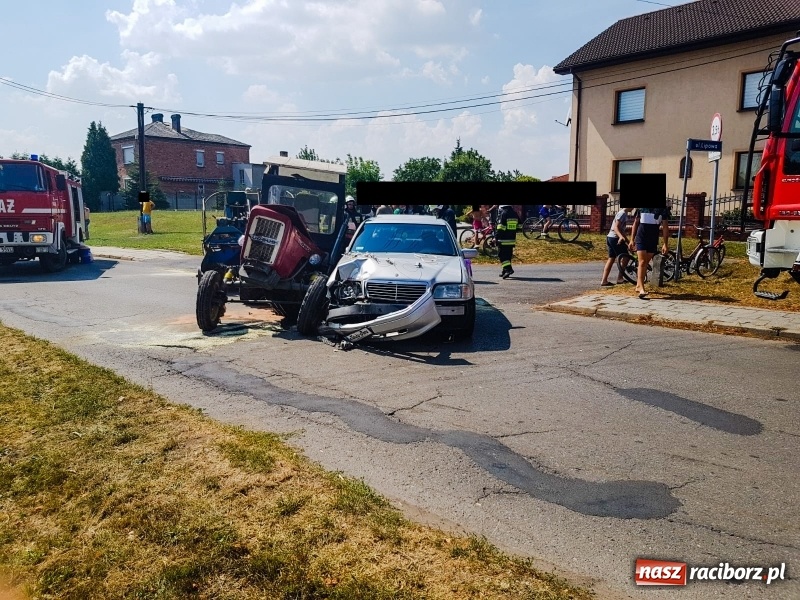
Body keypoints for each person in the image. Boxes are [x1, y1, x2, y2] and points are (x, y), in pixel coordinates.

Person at [628, 205, 671, 298]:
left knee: (645, 263)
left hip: (652, 239)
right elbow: (635, 223)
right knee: (642, 262)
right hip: (641, 237)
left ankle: (638, 285)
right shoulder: (641, 208)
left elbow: (665, 227)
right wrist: (632, 239)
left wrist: (665, 244)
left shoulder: (663, 209)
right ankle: (641, 288)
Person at [601, 207, 633, 286]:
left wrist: (628, 242)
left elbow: (621, 230)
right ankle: (620, 278)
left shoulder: (624, 213)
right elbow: (616, 227)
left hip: (610, 237)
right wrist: (621, 237)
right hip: (615, 238)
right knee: (626, 257)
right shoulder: (622, 213)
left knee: (611, 258)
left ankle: (604, 280)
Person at [496, 204, 519, 278]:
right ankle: (504, 271)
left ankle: (508, 269)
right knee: (508, 256)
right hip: (511, 239)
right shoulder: (514, 213)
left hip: (503, 239)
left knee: (501, 255)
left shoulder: (503, 213)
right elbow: (520, 226)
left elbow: (500, 227)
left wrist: (495, 238)